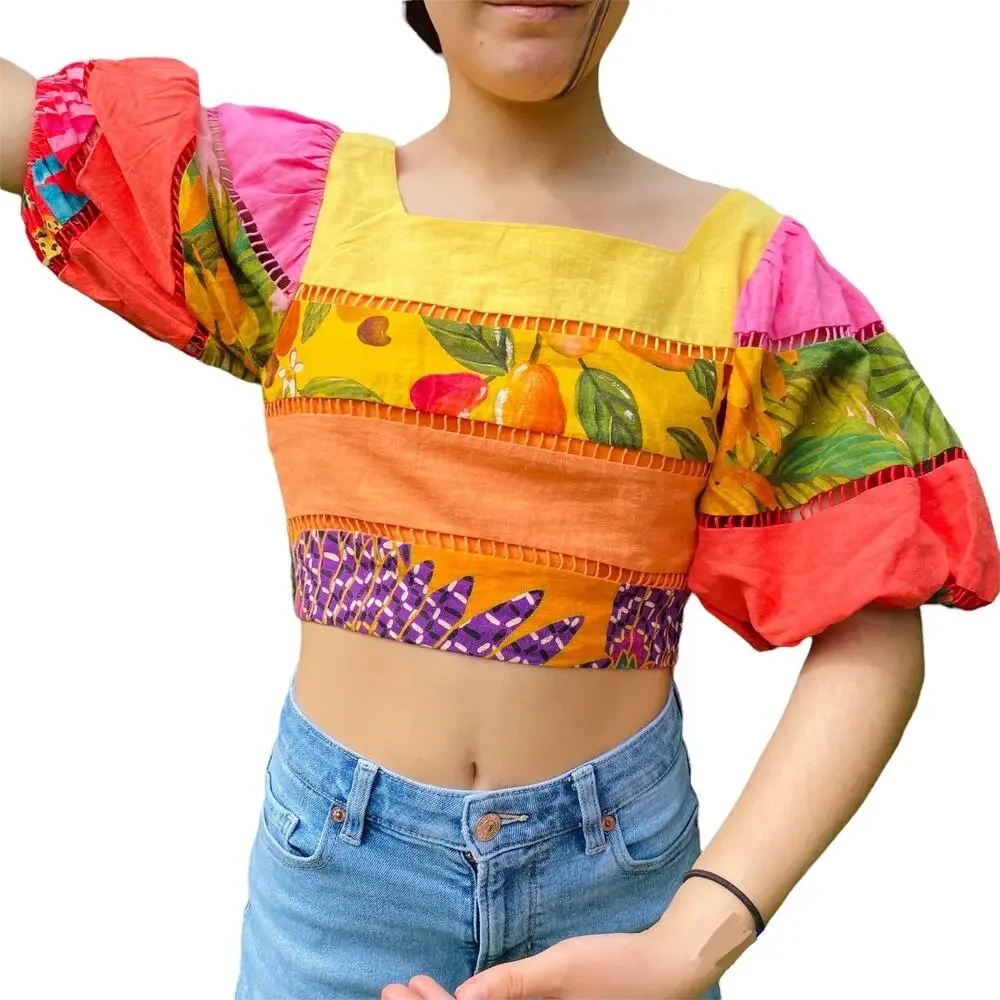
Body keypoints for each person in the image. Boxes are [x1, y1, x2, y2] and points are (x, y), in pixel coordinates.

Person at [1, 2, 997, 998]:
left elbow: (874, 615)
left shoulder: (750, 280)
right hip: (335, 897)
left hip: (624, 897)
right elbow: (41, 131)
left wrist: (686, 944)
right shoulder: (289, 219)